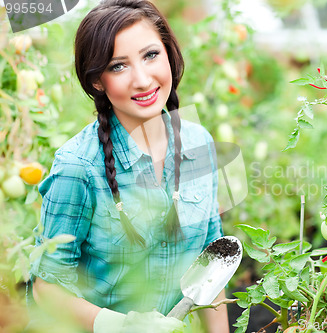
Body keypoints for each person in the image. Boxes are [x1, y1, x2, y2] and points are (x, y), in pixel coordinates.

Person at [26, 0, 229, 332]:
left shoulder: (198, 143)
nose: (143, 80)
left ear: (169, 54)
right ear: (97, 81)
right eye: (118, 66)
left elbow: (211, 265)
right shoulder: (78, 166)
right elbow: (47, 287)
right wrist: (121, 325)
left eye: (151, 55)